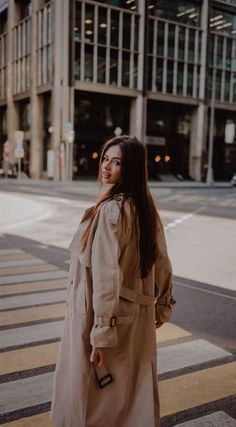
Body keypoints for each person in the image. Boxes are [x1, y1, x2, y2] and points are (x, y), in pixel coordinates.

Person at [50, 135, 175, 427]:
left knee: (93, 405)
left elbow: (107, 277)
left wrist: (101, 335)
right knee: (133, 397)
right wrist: (162, 306)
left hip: (102, 319)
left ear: (129, 168)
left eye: (117, 162)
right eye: (105, 158)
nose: (107, 166)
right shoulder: (144, 206)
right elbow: (163, 263)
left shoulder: (110, 211)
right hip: (136, 319)